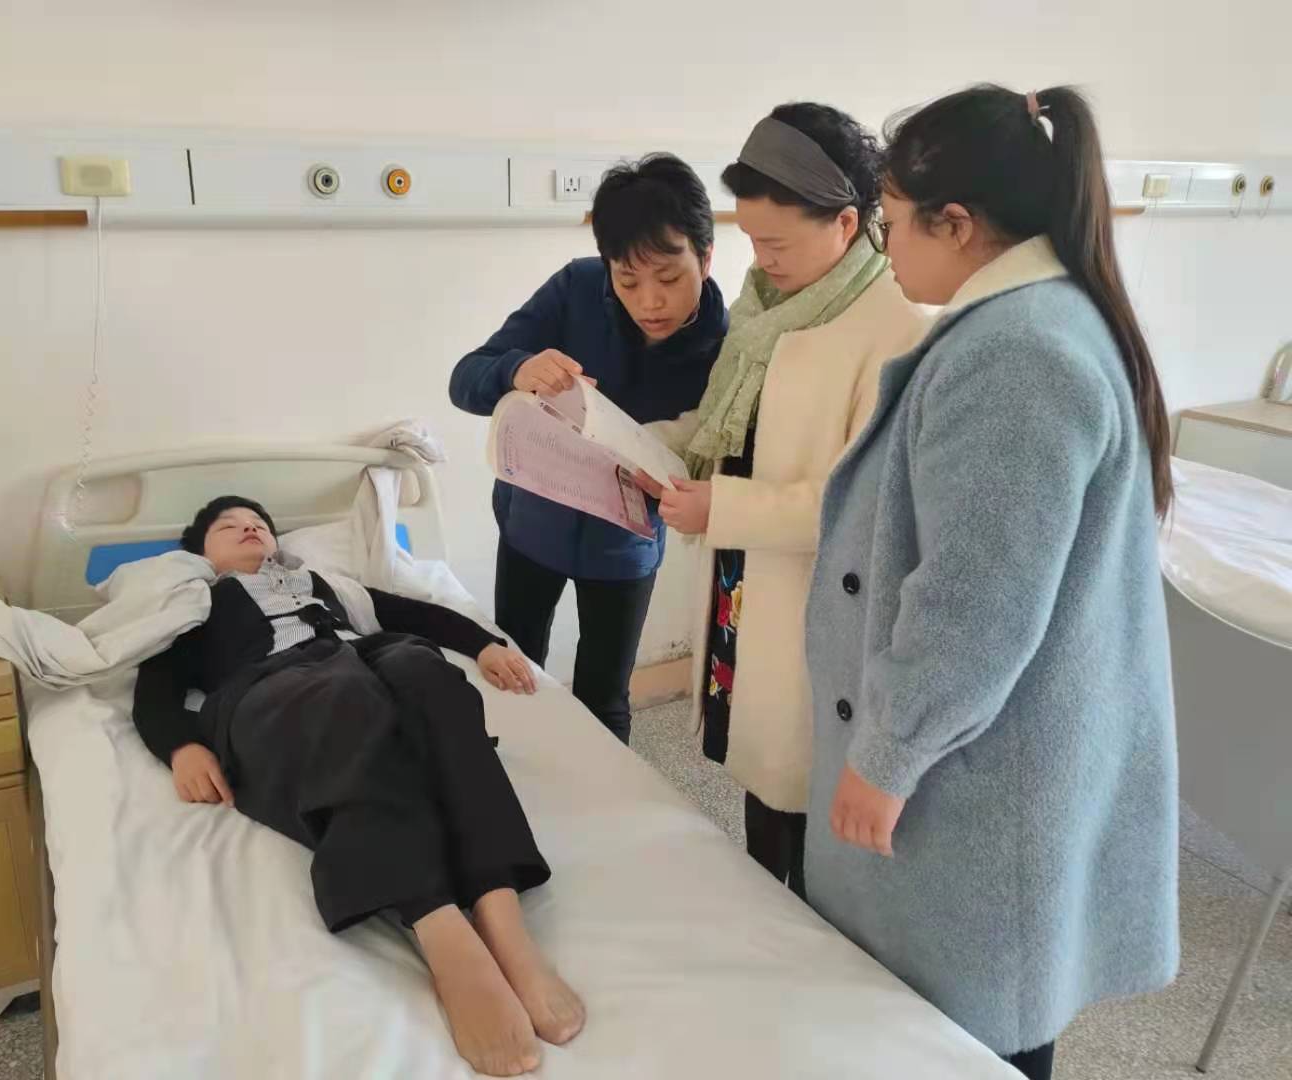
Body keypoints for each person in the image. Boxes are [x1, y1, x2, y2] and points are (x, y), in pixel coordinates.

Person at [799, 85, 1178, 1080]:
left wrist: (888, 755)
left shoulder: (1016, 354)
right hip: (997, 752)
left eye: (891, 224)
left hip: (976, 777)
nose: (883, 248)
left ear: (957, 223)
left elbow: (976, 605)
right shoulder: (1040, 321)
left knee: (975, 1037)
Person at [132, 496, 583, 1077]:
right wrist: (181, 746)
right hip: (269, 686)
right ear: (201, 553)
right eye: (229, 526)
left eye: (260, 523)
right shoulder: (198, 604)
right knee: (341, 699)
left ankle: (500, 911)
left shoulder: (325, 584)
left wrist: (483, 644)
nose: (249, 528)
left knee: (428, 674)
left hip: (361, 657)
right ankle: (438, 924)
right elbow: (155, 686)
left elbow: (414, 614)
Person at [637, 104, 927, 891]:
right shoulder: (765, 308)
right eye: (753, 240)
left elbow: (859, 505)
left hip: (810, 601)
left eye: (778, 243)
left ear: (846, 224)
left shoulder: (890, 333)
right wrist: (645, 444)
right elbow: (733, 422)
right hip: (745, 582)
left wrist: (721, 510)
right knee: (760, 783)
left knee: (801, 794)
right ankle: (765, 911)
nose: (761, 261)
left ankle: (798, 930)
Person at [449, 154, 728, 744]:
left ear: (705, 258)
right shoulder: (577, 288)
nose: (649, 302)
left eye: (669, 279)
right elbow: (465, 379)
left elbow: (716, 466)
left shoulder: (726, 347)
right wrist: (518, 368)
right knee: (516, 670)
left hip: (625, 546)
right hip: (531, 526)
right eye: (628, 281)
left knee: (604, 697)